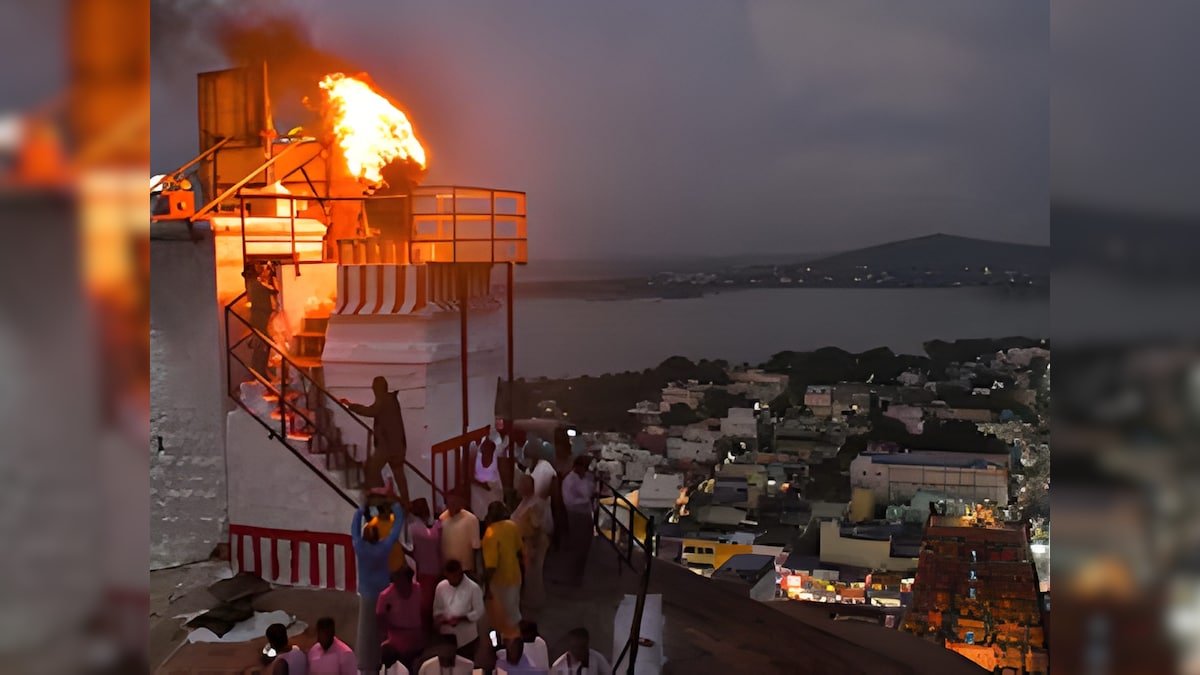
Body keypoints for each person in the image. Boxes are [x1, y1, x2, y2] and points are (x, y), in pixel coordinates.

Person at [352, 500, 405, 675]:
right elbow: (396, 528)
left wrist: (360, 510)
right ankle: (386, 659)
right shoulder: (383, 548)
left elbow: (354, 529)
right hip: (384, 592)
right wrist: (396, 508)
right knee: (385, 627)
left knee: (366, 631)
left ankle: (366, 663)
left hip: (367, 594)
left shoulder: (359, 547)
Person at [344, 376, 410, 502]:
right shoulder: (392, 400)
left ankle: (381, 496)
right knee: (399, 476)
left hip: (387, 447)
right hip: (398, 447)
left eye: (374, 388)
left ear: (377, 389)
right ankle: (405, 503)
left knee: (372, 469)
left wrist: (350, 405)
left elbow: (370, 411)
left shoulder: (384, 400)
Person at [481, 501, 525, 639]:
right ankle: (516, 643)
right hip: (515, 577)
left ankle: (500, 645)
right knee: (513, 614)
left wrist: (486, 586)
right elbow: (520, 551)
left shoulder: (490, 533)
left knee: (497, 617)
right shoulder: (512, 526)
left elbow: (491, 566)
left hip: (499, 581)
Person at [555, 455, 596, 587]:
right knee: (577, 546)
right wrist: (584, 501)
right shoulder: (570, 480)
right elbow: (569, 501)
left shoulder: (585, 478)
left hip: (586, 515)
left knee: (585, 546)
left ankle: (579, 575)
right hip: (575, 515)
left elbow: (590, 491)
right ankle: (571, 577)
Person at [511, 475, 549, 616]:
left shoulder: (535, 504)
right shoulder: (525, 501)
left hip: (534, 543)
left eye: (521, 485)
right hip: (526, 542)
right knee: (529, 574)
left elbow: (537, 527)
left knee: (533, 575)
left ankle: (534, 602)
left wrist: (533, 547)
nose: (518, 488)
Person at [432, 559, 486, 658]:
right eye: (448, 578)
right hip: (447, 637)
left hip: (467, 639)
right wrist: (441, 619)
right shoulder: (441, 587)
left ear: (460, 573)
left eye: (453, 577)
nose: (451, 581)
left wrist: (461, 618)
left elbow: (479, 611)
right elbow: (437, 609)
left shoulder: (473, 588)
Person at [378, 567, 427, 673]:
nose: (397, 586)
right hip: (397, 643)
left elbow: (423, 611)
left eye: (401, 582)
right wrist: (391, 630)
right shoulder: (386, 596)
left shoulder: (418, 589)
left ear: (409, 581)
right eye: (396, 582)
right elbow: (380, 617)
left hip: (417, 640)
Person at [405, 498, 443, 630]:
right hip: (431, 571)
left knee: (427, 605)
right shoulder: (430, 529)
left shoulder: (414, 528)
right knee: (428, 605)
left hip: (425, 571)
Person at [243, 263, 278, 377]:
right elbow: (272, 291)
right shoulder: (254, 284)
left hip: (261, 318)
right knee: (261, 346)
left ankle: (261, 371)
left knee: (264, 345)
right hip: (260, 319)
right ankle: (259, 373)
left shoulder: (253, 284)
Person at [438, 491, 481, 575]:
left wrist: (476, 571)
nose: (452, 505)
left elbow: (476, 547)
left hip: (466, 569)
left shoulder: (471, 519)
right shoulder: (442, 518)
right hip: (448, 569)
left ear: (461, 503)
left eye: (455, 502)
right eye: (449, 503)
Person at [471, 438, 504, 519]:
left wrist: (490, 486)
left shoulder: (495, 458)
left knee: (495, 499)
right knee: (482, 503)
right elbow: (470, 477)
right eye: (484, 447)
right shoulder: (475, 456)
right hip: (478, 486)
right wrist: (483, 485)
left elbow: (497, 476)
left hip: (491, 485)